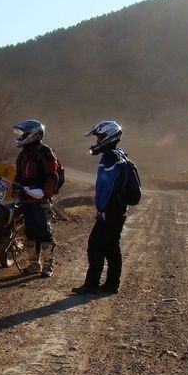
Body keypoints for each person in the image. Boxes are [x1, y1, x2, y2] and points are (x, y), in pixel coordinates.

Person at [72, 120, 128, 295]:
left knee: (95, 244)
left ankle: (92, 284)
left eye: (99, 137)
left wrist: (102, 209)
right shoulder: (119, 153)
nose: (96, 142)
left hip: (111, 210)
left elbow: (108, 187)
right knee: (111, 246)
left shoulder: (111, 157)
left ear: (108, 137)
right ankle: (112, 284)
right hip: (118, 209)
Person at [14, 119, 59, 277]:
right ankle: (34, 264)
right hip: (26, 198)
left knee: (44, 232)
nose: (21, 136)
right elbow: (18, 176)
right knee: (30, 232)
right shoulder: (23, 155)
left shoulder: (46, 153)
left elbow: (51, 177)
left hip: (40, 199)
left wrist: (45, 194)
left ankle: (48, 265)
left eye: (24, 133)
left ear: (33, 134)